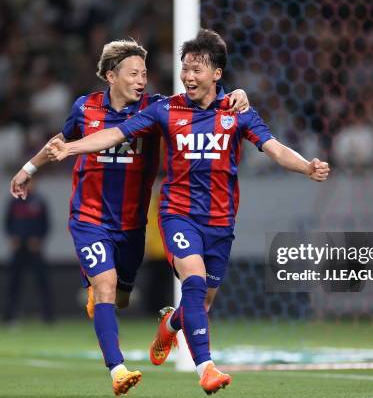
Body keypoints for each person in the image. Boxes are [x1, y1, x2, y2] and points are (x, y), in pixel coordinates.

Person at [46, 29, 329, 394]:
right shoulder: (166, 109)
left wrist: (307, 167)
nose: (189, 76)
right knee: (192, 282)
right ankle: (206, 369)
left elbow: (274, 148)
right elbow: (116, 134)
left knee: (202, 301)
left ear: (217, 74)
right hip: (178, 215)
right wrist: (72, 149)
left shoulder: (237, 112)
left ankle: (170, 326)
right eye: (185, 69)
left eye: (198, 69)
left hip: (220, 222)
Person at [9, 39, 250, 396]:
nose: (142, 80)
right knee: (104, 286)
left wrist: (236, 92)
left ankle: (163, 321)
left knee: (120, 297)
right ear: (111, 75)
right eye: (134, 73)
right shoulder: (86, 109)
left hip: (132, 224)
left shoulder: (155, 110)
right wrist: (29, 167)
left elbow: (201, 104)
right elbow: (61, 140)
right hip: (90, 218)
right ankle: (117, 370)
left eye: (145, 74)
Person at [3, 179, 53, 324]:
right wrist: (13, 238)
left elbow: (46, 224)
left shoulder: (39, 201)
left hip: (34, 248)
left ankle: (47, 316)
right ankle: (10, 315)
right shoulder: (14, 201)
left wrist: (38, 239)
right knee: (14, 283)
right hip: (18, 248)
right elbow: (7, 222)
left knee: (42, 282)